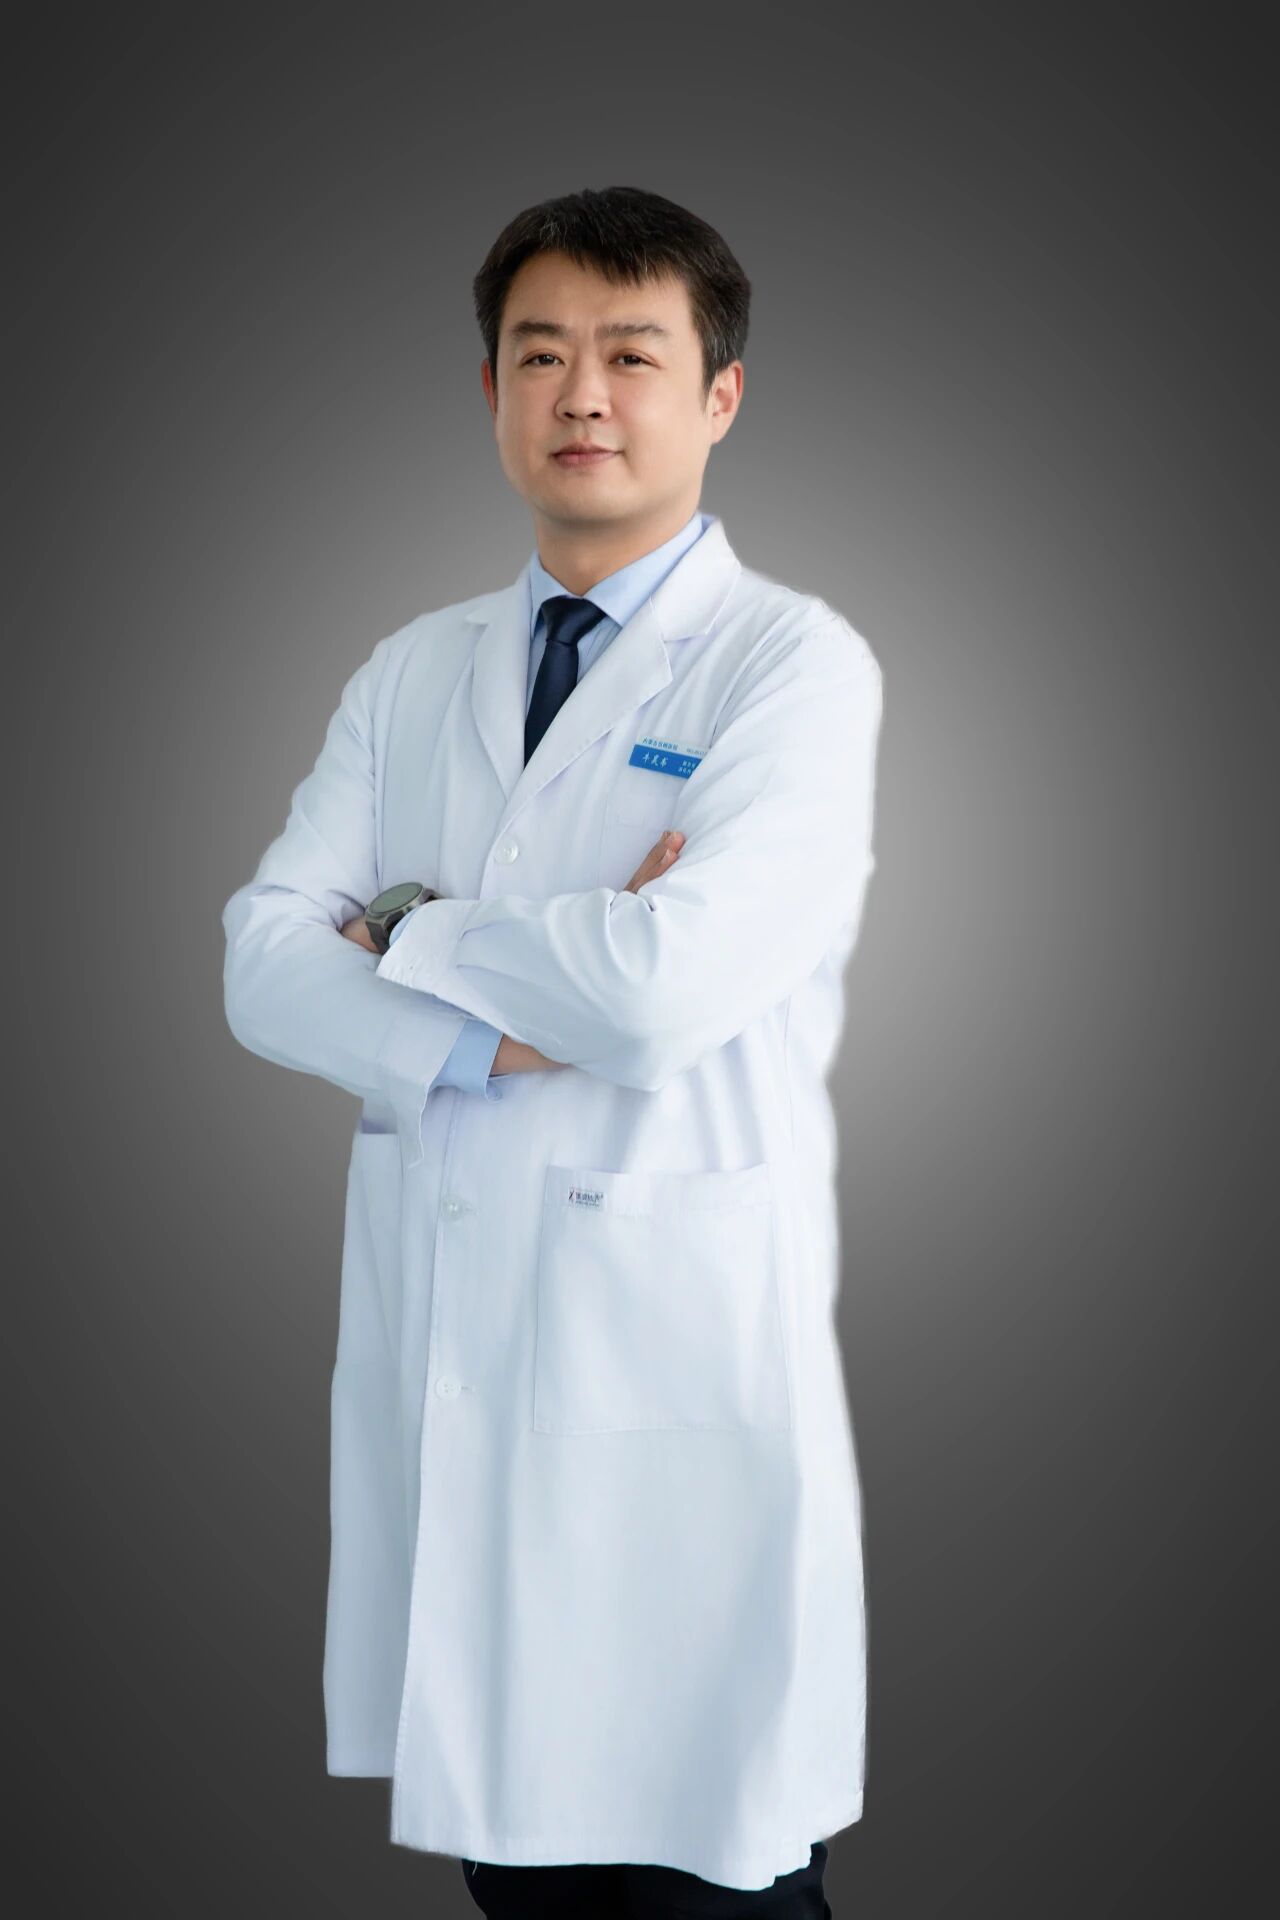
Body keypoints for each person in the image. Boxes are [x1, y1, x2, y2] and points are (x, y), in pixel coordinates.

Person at [221, 183, 884, 1919]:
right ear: (493, 391)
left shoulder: (792, 668)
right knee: (513, 1878)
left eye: (631, 355)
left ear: (719, 396)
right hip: (461, 1381)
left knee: (713, 1881)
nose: (581, 393)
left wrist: (407, 929)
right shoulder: (410, 672)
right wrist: (499, 1025)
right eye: (539, 354)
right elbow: (260, 968)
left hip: (677, 1407)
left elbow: (663, 992)